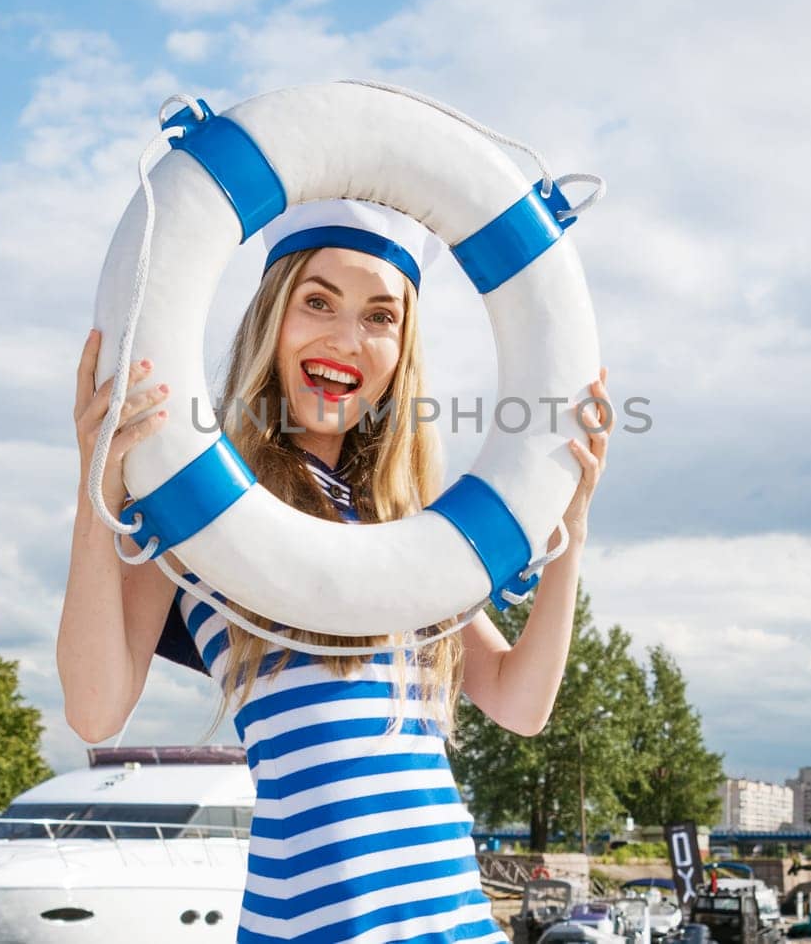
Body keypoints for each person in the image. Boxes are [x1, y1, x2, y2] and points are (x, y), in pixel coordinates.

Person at [58, 199, 609, 942]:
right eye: (317, 300)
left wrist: (568, 531)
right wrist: (99, 489)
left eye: (381, 316)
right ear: (271, 317)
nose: (347, 337)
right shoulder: (200, 508)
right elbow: (95, 709)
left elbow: (519, 702)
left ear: (402, 350)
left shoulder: (405, 529)